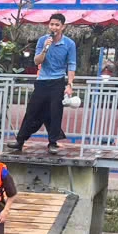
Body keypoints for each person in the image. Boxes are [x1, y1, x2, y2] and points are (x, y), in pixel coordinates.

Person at [11, 12, 76, 154]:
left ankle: (53, 142)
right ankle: (20, 141)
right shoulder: (42, 40)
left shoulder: (69, 44)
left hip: (58, 81)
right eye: (52, 24)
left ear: (63, 27)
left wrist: (70, 85)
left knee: (55, 112)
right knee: (32, 111)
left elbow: (71, 65)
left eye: (57, 25)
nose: (54, 27)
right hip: (42, 81)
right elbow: (36, 61)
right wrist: (45, 49)